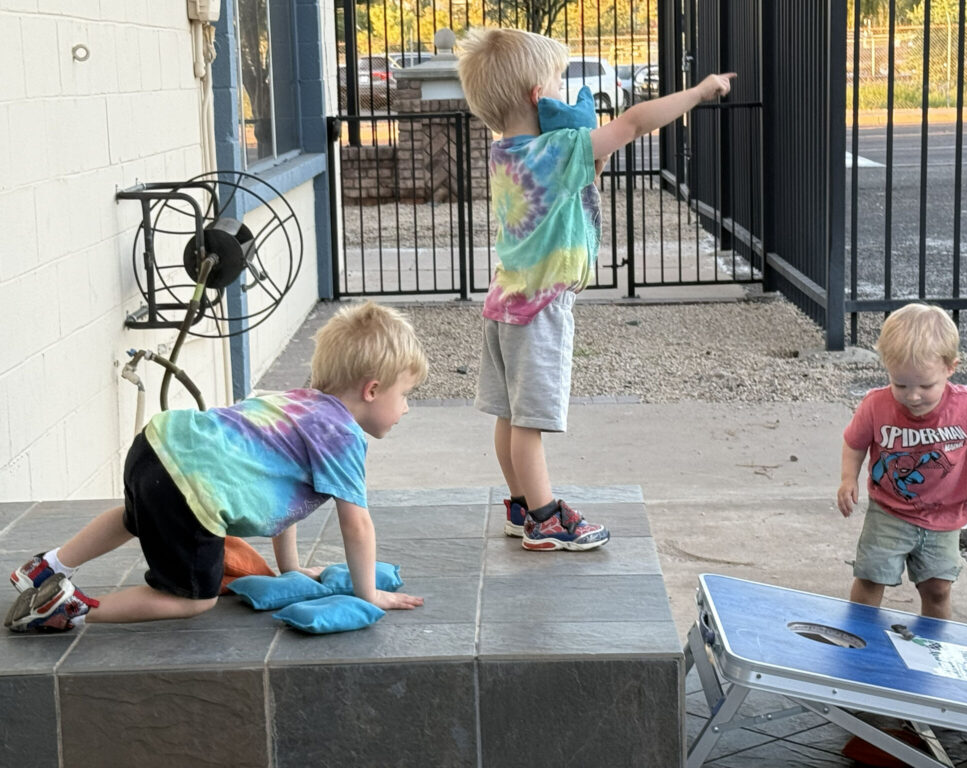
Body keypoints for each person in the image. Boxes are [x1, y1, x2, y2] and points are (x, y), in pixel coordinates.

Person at [456, 27, 734, 550]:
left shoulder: (507, 153)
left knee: (509, 414)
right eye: (560, 83)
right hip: (540, 309)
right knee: (531, 422)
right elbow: (631, 123)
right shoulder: (558, 149)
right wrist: (698, 92)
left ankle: (519, 504)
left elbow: (571, 195)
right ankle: (544, 518)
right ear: (539, 96)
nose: (566, 92)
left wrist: (592, 161)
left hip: (504, 303)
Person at [5, 302, 428, 632]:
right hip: (193, 490)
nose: (406, 408)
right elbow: (357, 527)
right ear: (372, 390)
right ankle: (72, 610)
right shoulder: (342, 436)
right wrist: (368, 594)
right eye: (405, 394)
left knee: (137, 517)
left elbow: (287, 503)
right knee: (194, 599)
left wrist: (292, 569)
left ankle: (50, 566)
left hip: (157, 445)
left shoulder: (297, 403)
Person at [837, 303, 967, 619]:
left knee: (938, 588)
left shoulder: (966, 407)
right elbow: (854, 442)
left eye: (926, 386)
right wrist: (848, 479)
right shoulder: (876, 406)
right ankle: (857, 635)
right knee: (871, 578)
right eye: (900, 384)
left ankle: (935, 645)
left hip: (945, 516)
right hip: (889, 512)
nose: (913, 396)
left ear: (950, 367)